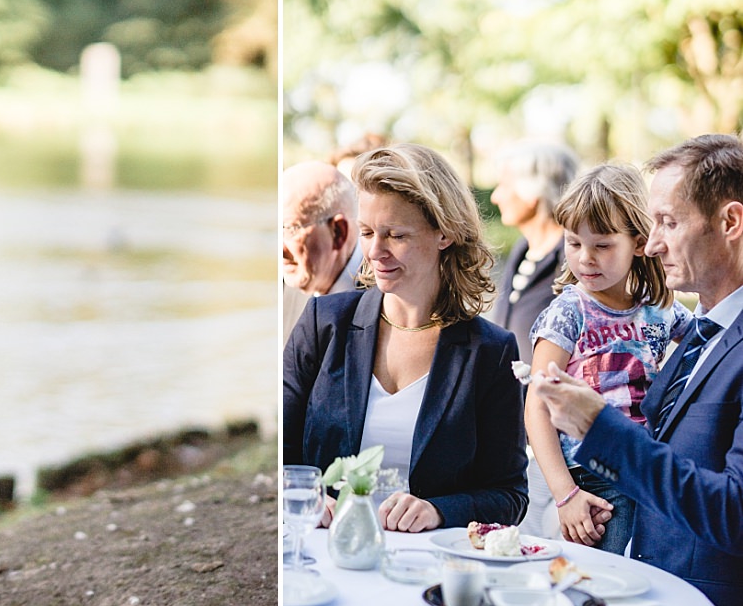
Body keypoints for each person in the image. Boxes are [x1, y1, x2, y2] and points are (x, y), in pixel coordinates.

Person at [531, 134, 743, 606]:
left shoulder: (669, 320)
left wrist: (599, 427)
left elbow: (734, 512)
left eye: (668, 222)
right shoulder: (702, 332)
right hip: (619, 544)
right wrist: (567, 495)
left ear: (730, 222)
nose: (654, 242)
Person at [284, 143, 527, 531]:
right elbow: (283, 452)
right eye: (366, 232)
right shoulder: (322, 323)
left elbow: (509, 494)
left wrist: (440, 510)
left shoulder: (491, 352)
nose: (375, 251)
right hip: (325, 555)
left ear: (444, 233)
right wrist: (306, 497)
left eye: (395, 235)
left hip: (428, 566)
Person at [523, 163, 683, 553]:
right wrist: (565, 495)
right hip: (591, 478)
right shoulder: (569, 312)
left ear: (639, 243)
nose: (585, 259)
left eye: (603, 245)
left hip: (646, 470)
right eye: (575, 243)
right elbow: (537, 408)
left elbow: (714, 341)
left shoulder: (662, 310)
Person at [488, 140, 581, 364]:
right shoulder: (523, 250)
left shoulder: (572, 260)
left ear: (531, 192)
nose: (495, 196)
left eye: (504, 185)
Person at [282, 159, 362, 336]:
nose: (280, 249)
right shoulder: (284, 287)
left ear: (338, 232)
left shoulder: (387, 296)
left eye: (290, 229)